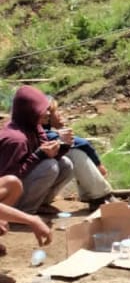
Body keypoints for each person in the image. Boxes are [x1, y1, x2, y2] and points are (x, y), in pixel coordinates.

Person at [0, 86, 74, 215]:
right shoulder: (16, 139)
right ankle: (23, 211)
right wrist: (39, 155)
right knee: (49, 166)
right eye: (43, 110)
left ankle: (40, 203)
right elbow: (9, 179)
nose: (48, 113)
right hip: (7, 197)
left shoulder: (35, 127)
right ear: (30, 111)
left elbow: (45, 153)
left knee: (65, 164)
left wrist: (63, 145)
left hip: (21, 184)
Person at [41, 98, 114, 210]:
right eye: (56, 111)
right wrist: (98, 164)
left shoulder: (39, 130)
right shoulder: (40, 132)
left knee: (67, 155)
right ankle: (100, 197)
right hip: (28, 198)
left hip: (32, 193)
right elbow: (81, 143)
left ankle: (93, 195)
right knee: (74, 152)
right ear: (47, 115)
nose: (60, 114)